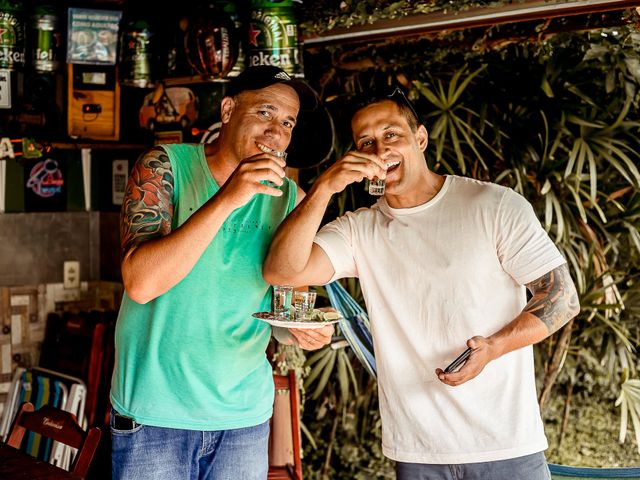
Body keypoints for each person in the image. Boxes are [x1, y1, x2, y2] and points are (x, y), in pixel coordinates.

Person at [263, 87, 580, 479]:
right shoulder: (360, 230)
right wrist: (326, 186)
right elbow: (283, 270)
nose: (380, 148)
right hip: (417, 452)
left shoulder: (493, 205)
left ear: (421, 138)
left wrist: (494, 347)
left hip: (506, 444)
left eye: (391, 134)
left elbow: (562, 297)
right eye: (366, 141)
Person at [110, 66, 334, 480]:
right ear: (229, 108)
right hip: (156, 412)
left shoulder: (290, 198)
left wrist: (301, 331)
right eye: (265, 112)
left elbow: (284, 311)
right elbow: (140, 284)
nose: (276, 132)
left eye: (287, 122)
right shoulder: (165, 166)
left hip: (243, 418)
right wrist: (230, 196)